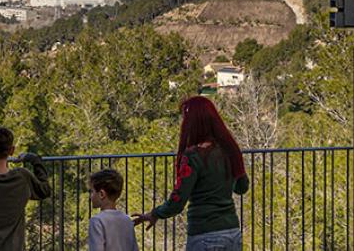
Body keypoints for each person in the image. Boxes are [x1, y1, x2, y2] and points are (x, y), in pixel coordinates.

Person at [132, 96, 249, 251]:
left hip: (204, 234)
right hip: (232, 233)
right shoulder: (229, 150)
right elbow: (242, 188)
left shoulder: (193, 156)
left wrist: (155, 213)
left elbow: (178, 201)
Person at [87, 168, 139, 251]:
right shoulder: (127, 220)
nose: (90, 196)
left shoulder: (97, 221)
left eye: (91, 191)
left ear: (101, 194)